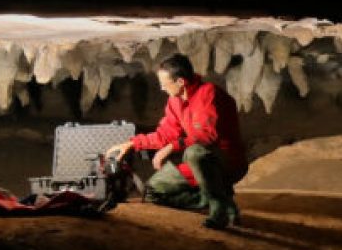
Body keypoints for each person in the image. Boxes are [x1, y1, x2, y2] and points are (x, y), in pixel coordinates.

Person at [106, 54, 247, 230]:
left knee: (194, 152)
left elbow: (208, 136)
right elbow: (166, 133)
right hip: (197, 164)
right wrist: (133, 144)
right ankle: (215, 200)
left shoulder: (209, 93)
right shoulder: (175, 101)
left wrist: (172, 146)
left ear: (180, 81)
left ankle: (218, 210)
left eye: (165, 83)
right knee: (152, 191)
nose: (162, 88)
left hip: (225, 160)